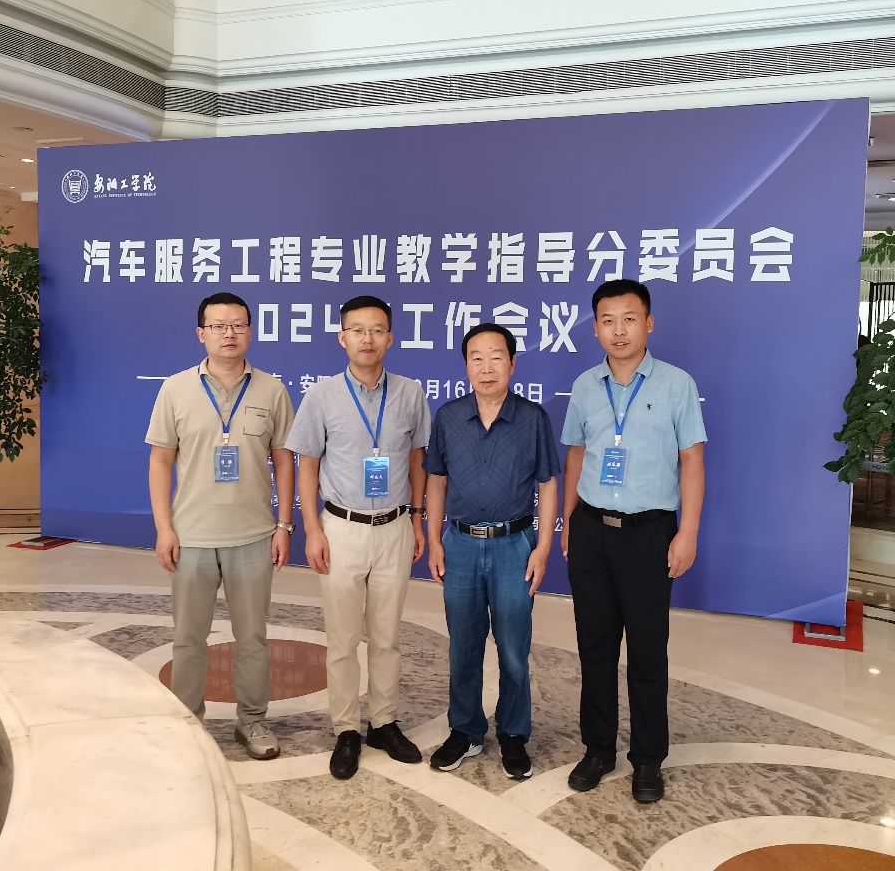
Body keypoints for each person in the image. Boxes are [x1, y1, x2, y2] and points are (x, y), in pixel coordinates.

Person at [560, 278, 706, 804]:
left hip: (649, 534)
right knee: (594, 649)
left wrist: (687, 531)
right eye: (607, 320)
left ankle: (647, 758)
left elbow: (692, 459)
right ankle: (598, 749)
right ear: (595, 327)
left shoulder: (676, 385)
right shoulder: (584, 386)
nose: (618, 330)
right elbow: (576, 454)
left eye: (628, 319)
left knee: (647, 652)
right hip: (591, 532)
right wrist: (568, 523)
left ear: (648, 323)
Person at [285, 295, 431, 780]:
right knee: (343, 639)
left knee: (387, 638)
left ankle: (384, 723)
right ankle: (346, 728)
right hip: (340, 529)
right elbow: (307, 466)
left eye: (378, 330)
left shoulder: (409, 393)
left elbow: (417, 459)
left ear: (391, 338)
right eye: (358, 330)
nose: (368, 339)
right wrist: (312, 529)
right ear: (342, 337)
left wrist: (417, 518)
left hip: (394, 527)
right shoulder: (321, 396)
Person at [146, 291, 297, 760]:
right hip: (191, 536)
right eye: (218, 326)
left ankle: (252, 721)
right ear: (201, 333)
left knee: (252, 638)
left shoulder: (272, 390)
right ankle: (188, 724)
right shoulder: (175, 389)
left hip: (253, 536)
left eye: (238, 325)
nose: (229, 334)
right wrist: (164, 528)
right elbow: (160, 462)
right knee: (188, 639)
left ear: (250, 331)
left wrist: (284, 524)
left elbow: (284, 460)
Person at [424, 323, 559, 780]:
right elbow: (436, 481)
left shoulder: (532, 418)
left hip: (513, 546)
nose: (487, 367)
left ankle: (514, 733)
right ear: (466, 365)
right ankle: (465, 730)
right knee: (463, 646)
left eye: (496, 357)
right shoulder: (448, 417)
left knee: (514, 648)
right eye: (476, 358)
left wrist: (542, 547)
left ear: (512, 364)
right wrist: (436, 540)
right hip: (460, 544)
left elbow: (547, 483)